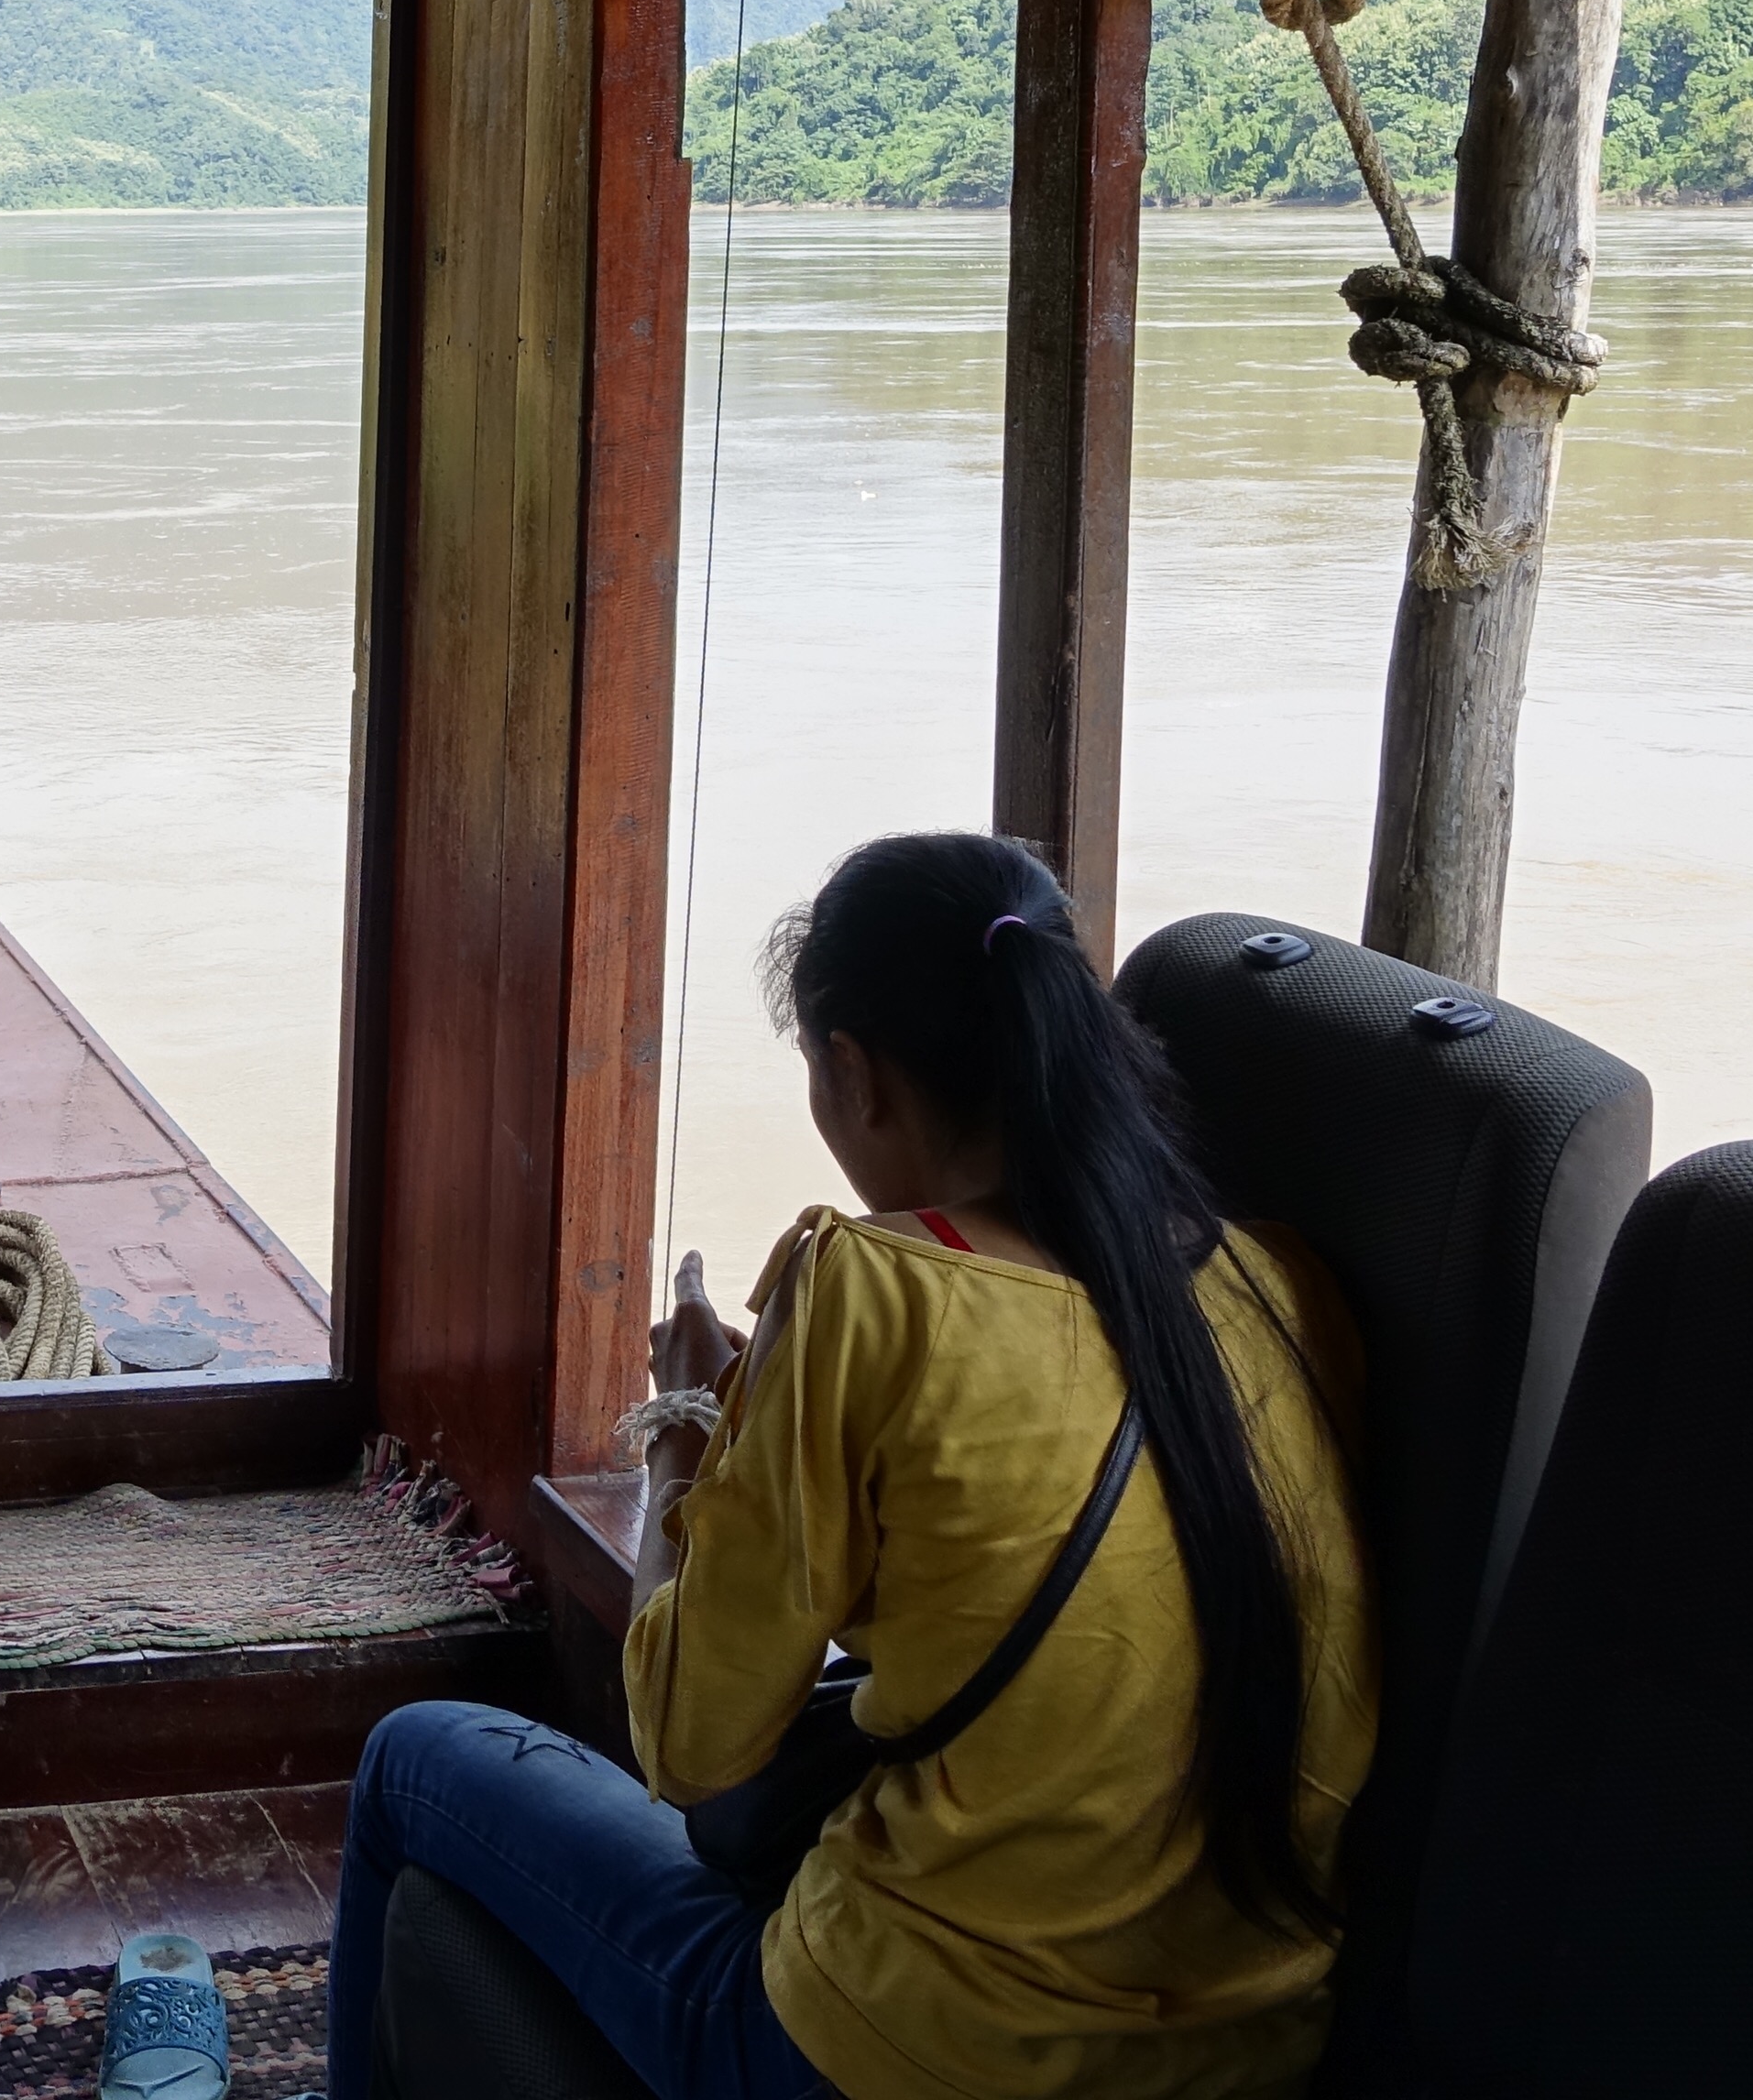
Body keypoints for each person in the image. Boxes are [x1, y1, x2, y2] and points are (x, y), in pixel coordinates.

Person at [328, 833, 1376, 2100]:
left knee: (410, 1762)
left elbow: (689, 1745)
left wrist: (684, 1428)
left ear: (852, 1074)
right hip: (1251, 2056)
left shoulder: (869, 1289)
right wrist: (768, 1417)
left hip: (915, 2055)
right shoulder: (1280, 1293)